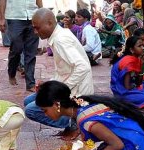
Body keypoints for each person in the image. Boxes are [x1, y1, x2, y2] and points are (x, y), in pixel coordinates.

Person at [25, 8, 94, 140]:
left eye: (37, 28)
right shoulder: (58, 36)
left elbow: (83, 67)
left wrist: (60, 91)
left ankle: (74, 121)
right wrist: (49, 84)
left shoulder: (60, 40)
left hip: (77, 94)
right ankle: (69, 119)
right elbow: (64, 70)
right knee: (28, 100)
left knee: (31, 110)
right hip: (70, 87)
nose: (35, 32)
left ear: (50, 23)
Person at [0, 0, 42, 92]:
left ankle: (30, 84)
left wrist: (42, 15)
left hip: (33, 16)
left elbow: (39, 1)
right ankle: (12, 72)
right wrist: (2, 18)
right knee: (16, 49)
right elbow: (2, 1)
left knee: (31, 53)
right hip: (14, 17)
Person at [110, 35, 144, 108]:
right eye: (139, 46)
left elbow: (138, 82)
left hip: (132, 87)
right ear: (132, 50)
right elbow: (127, 87)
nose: (143, 48)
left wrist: (141, 66)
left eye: (143, 45)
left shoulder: (136, 59)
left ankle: (143, 94)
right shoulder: (128, 61)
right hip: (122, 92)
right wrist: (138, 88)